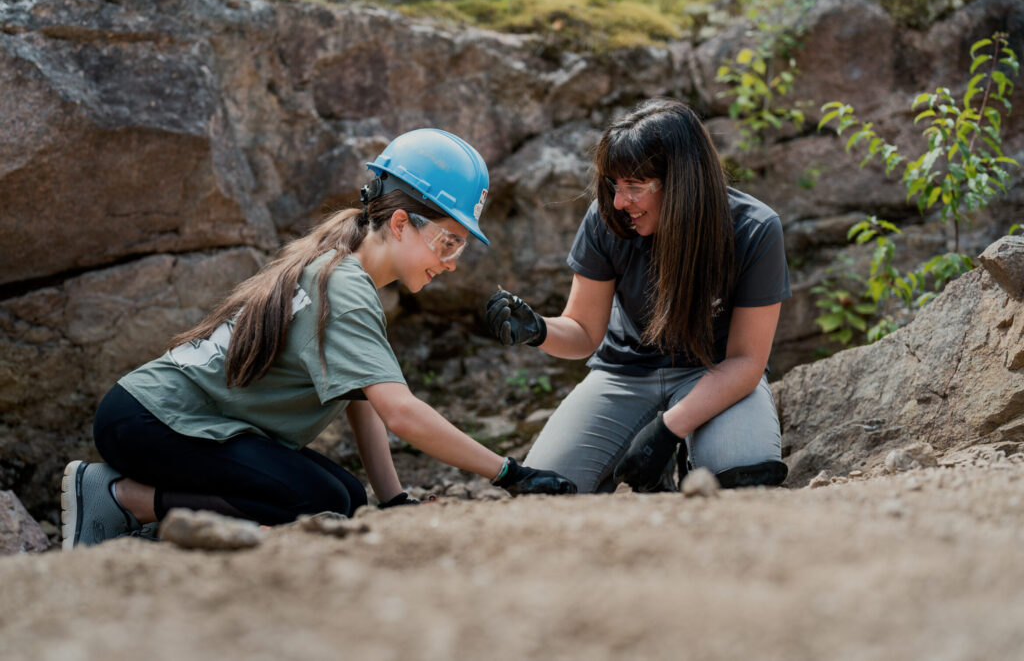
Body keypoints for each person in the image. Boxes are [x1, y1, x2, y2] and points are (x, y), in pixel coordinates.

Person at [62, 128, 576, 550]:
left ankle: (157, 513)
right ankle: (122, 497)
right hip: (151, 421)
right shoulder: (346, 287)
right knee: (317, 502)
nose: (452, 261)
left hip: (157, 417)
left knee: (346, 496)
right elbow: (401, 412)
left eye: (460, 246)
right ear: (400, 223)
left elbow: (364, 400)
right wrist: (511, 473)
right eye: (448, 241)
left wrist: (392, 498)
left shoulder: (346, 273)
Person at [485, 99, 791, 494]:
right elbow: (582, 331)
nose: (618, 202)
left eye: (633, 187)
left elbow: (747, 361)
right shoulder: (605, 220)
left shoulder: (755, 229)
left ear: (682, 180)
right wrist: (539, 329)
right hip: (624, 374)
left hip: (715, 371)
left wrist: (666, 432)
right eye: (615, 185)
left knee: (743, 477)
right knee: (547, 489)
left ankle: (687, 455)